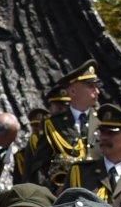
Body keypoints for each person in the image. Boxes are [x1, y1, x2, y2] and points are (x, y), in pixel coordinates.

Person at [23, 62, 104, 193]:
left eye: (97, 86)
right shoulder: (52, 124)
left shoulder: (103, 123)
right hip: (64, 197)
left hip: (98, 196)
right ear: (72, 91)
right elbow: (40, 167)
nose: (97, 91)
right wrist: (51, 194)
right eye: (90, 86)